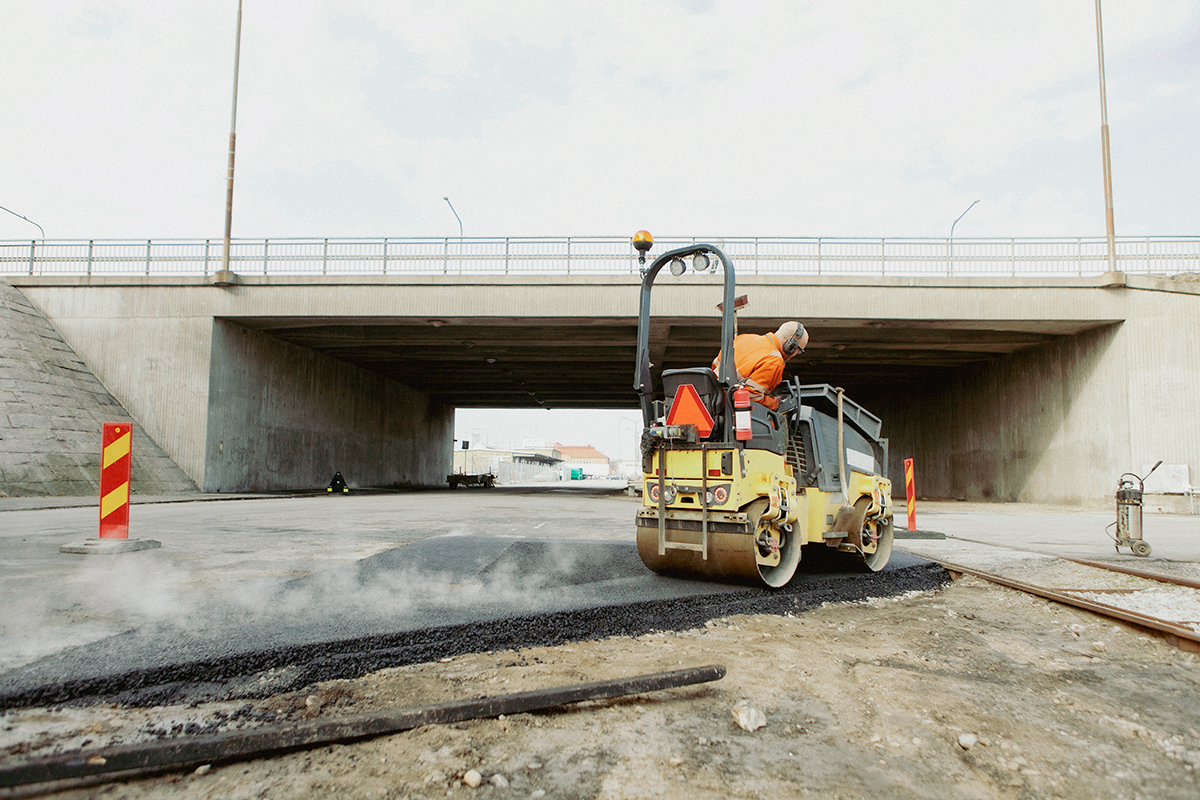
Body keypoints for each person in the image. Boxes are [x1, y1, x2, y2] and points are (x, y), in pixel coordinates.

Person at [712, 321, 808, 411]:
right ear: (791, 346)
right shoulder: (774, 360)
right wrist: (775, 403)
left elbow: (715, 365)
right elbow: (751, 395)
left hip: (712, 401)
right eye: (799, 350)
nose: (797, 353)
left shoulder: (744, 338)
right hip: (729, 409)